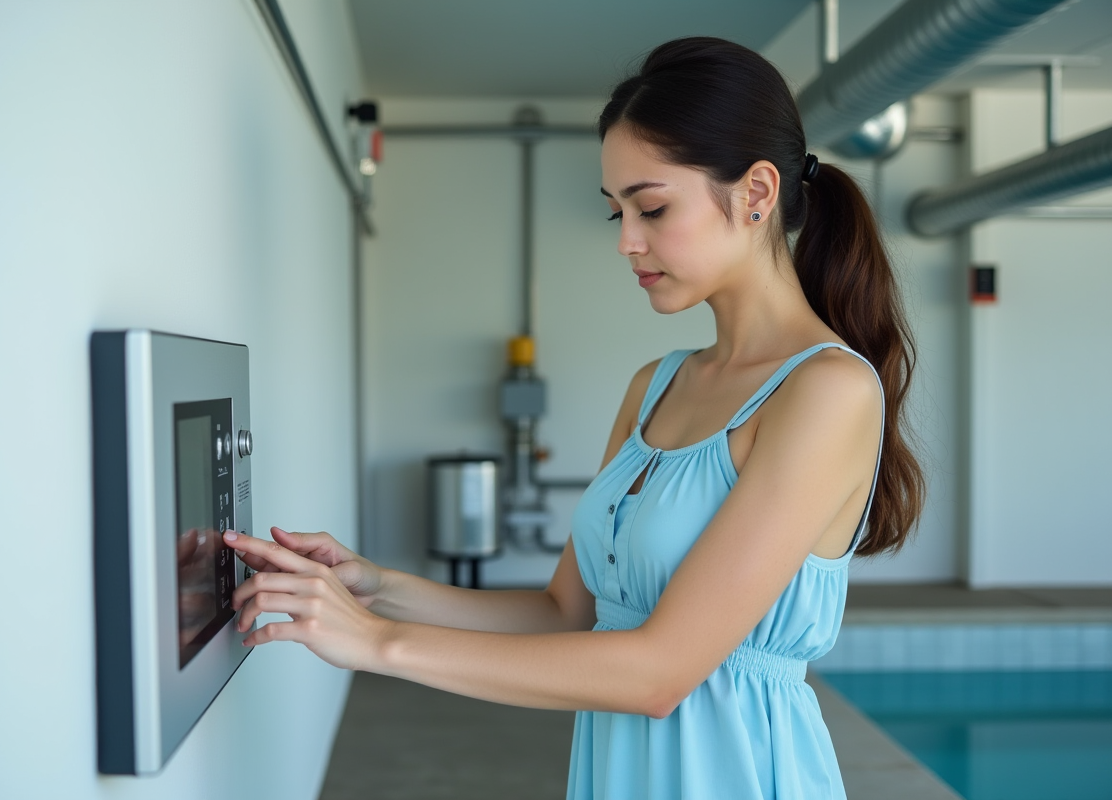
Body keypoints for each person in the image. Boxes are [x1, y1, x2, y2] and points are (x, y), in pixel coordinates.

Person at [222, 36, 925, 800]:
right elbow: (567, 612)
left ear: (757, 193)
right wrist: (374, 587)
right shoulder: (654, 385)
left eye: (652, 207)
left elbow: (658, 672)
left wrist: (377, 644)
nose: (627, 241)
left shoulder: (826, 392)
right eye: (617, 211)